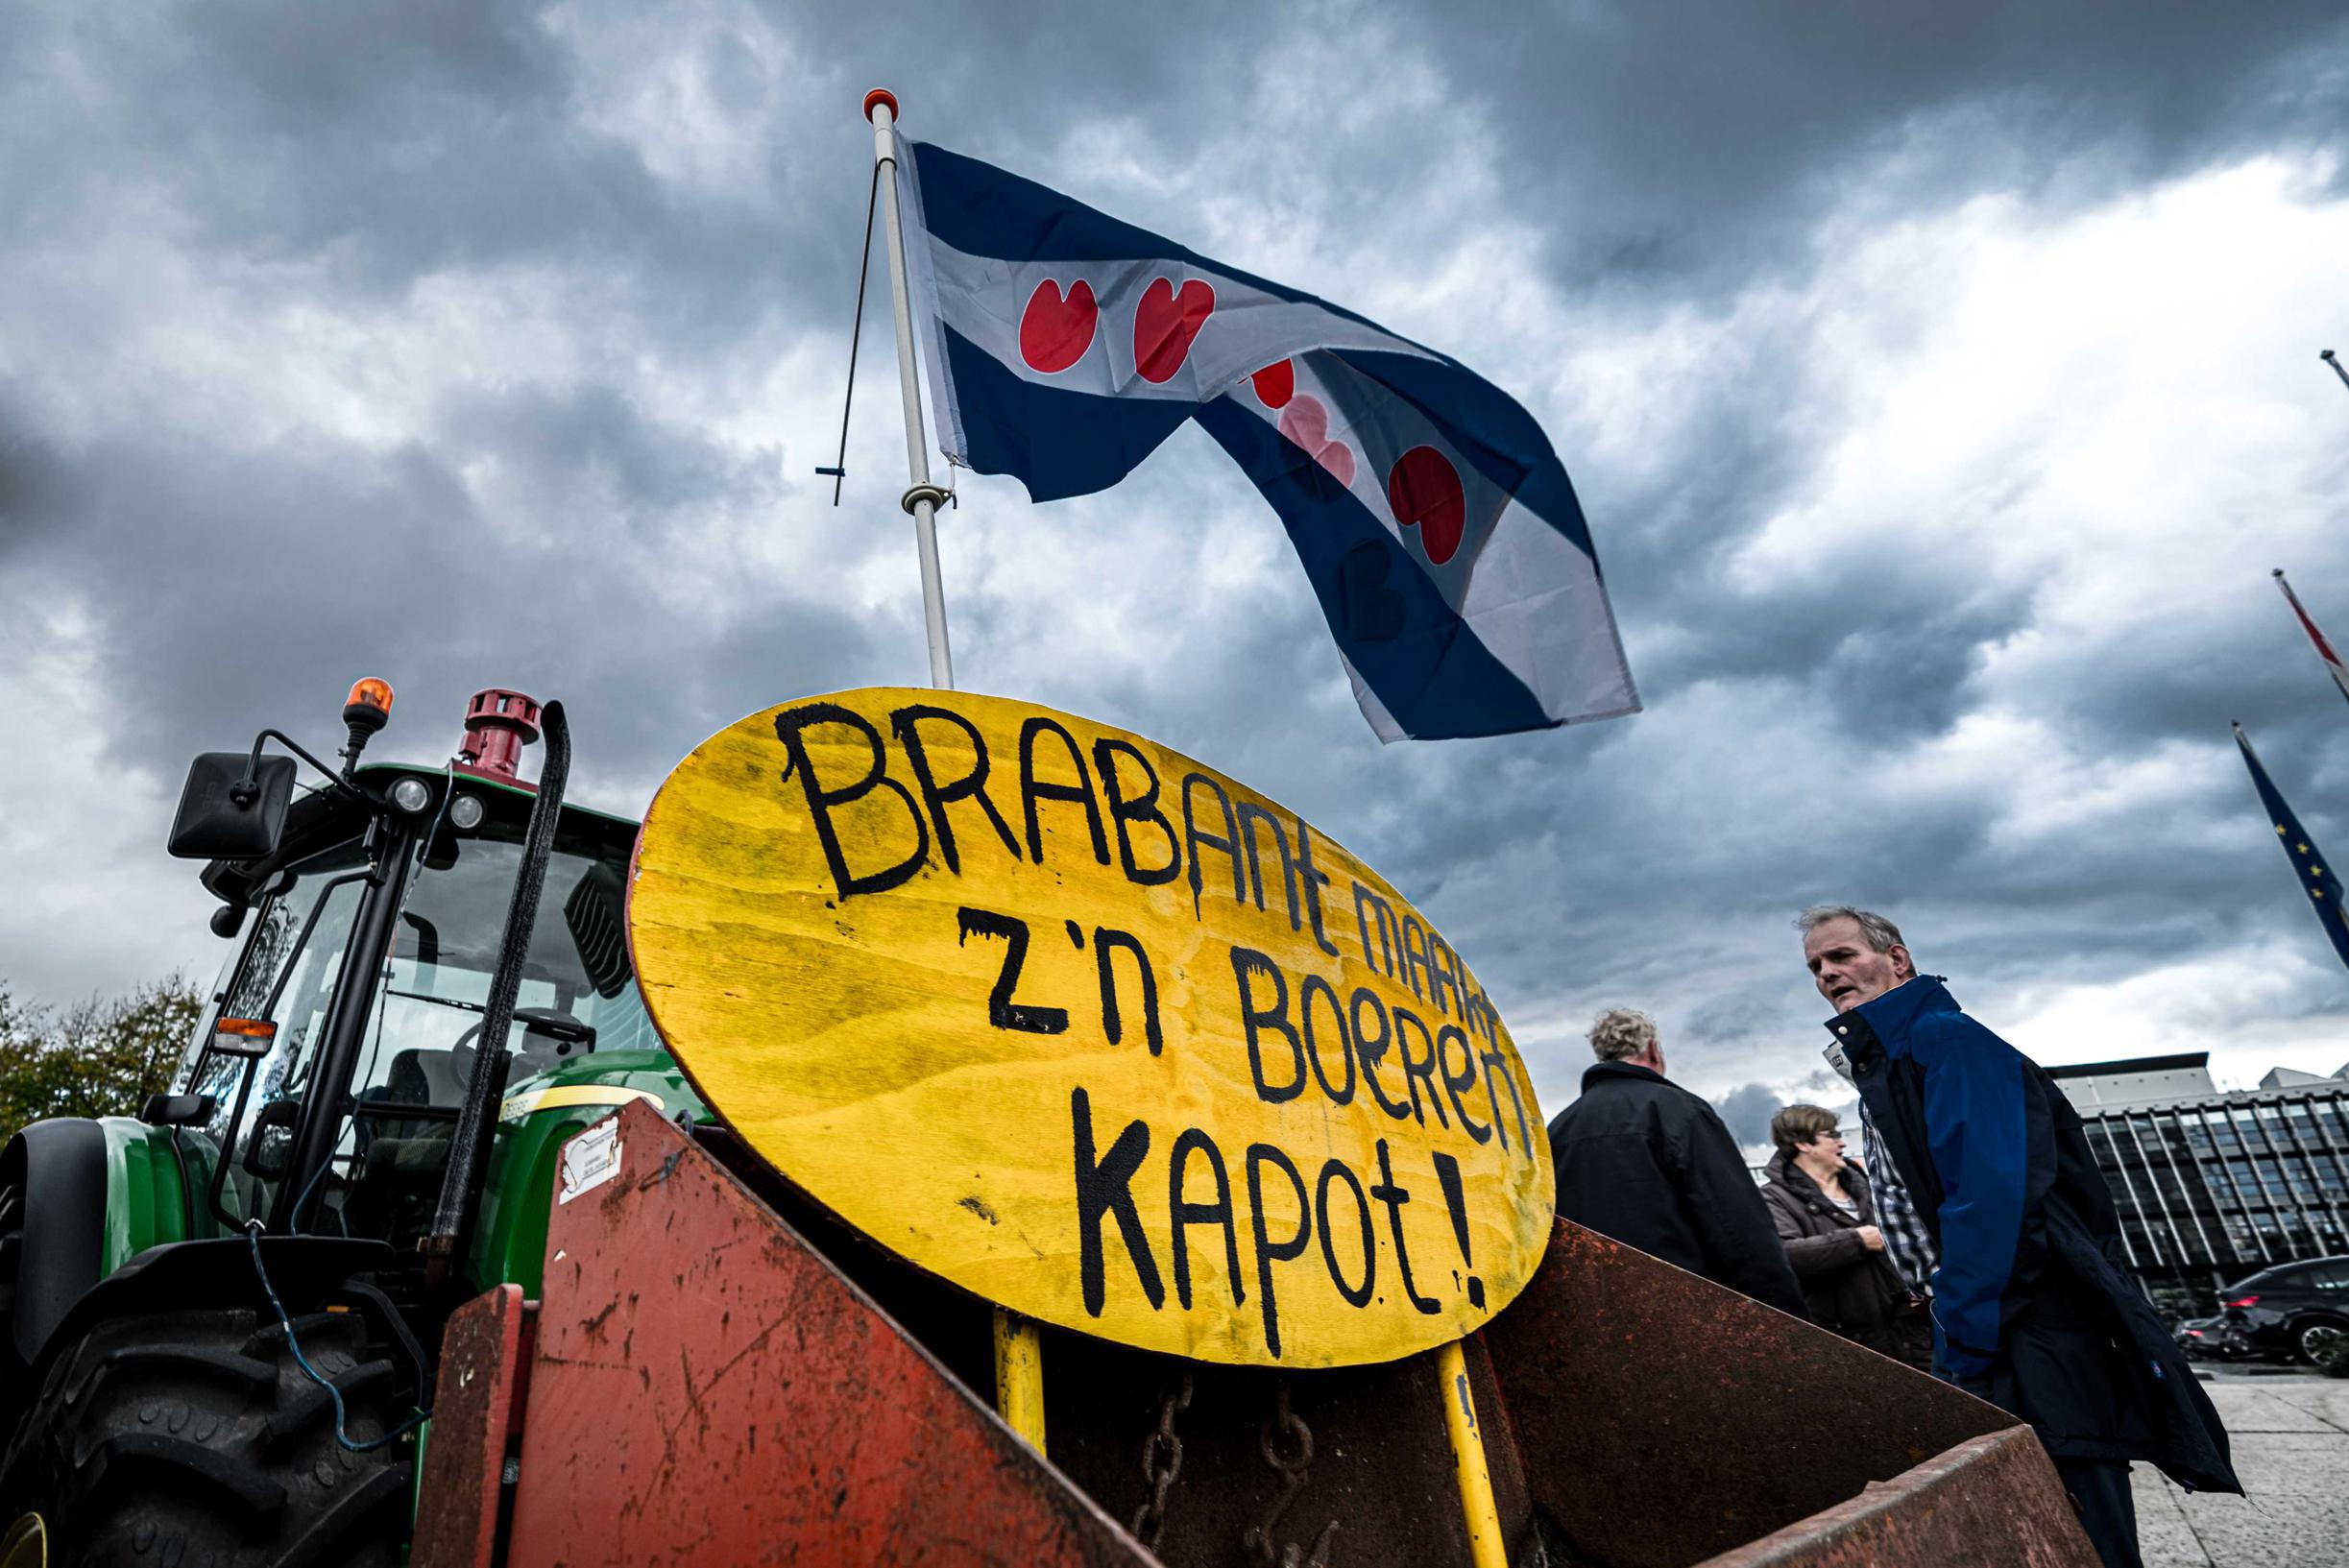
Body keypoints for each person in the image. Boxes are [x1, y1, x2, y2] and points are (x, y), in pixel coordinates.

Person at [1798, 905, 2239, 1568]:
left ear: (1897, 959)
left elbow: (1992, 1201)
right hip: (2003, 1329)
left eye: (1841, 955)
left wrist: (1963, 1330)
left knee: (2075, 1525)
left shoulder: (1946, 1039)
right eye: (1815, 966)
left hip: (2024, 1332)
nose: (1828, 973)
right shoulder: (1888, 1061)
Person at [1548, 1007, 1808, 1319]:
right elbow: (1737, 1228)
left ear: (1602, 1055)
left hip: (1601, 1320)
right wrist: (1787, 1320)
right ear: (1653, 1049)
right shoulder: (1680, 1112)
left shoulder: (1557, 1130)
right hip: (1691, 1315)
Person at [1760, 1104, 1932, 1368]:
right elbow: (1785, 1255)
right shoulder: (1775, 1198)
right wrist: (1857, 1241)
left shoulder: (1864, 1183)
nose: (1841, 1142)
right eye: (1831, 1135)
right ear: (1803, 1144)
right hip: (1850, 1345)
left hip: (1910, 1332)